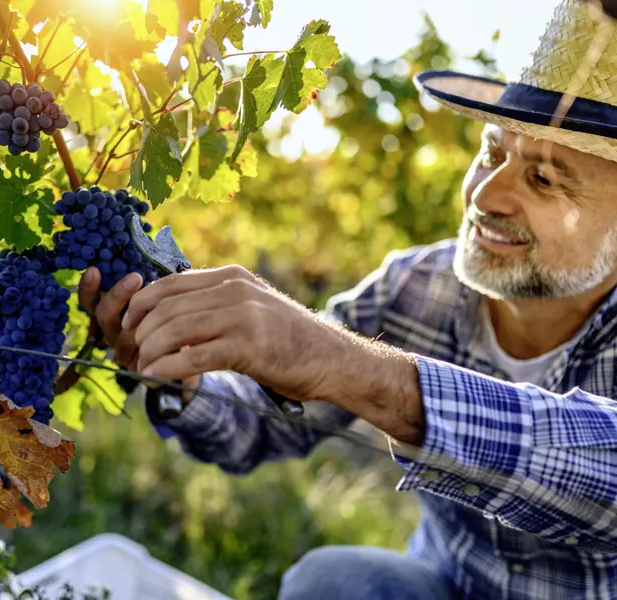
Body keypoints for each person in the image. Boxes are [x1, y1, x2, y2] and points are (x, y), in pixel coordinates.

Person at [78, 1, 617, 598]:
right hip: (452, 584)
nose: (486, 194)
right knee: (331, 580)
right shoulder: (417, 286)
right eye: (492, 153)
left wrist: (353, 366)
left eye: (543, 178)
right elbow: (263, 425)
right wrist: (183, 374)